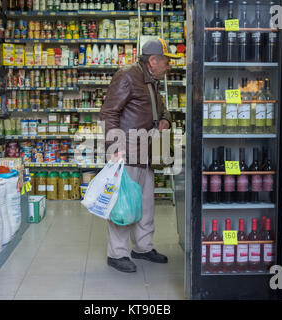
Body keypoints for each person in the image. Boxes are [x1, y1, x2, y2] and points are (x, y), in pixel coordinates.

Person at [99, 38, 179, 273]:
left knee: (145, 205)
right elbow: (109, 113)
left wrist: (165, 119)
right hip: (127, 153)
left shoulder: (152, 81)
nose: (169, 66)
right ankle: (117, 253)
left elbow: (162, 109)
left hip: (147, 152)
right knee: (123, 204)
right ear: (153, 60)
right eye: (166, 61)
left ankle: (143, 247)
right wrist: (115, 149)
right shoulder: (127, 76)